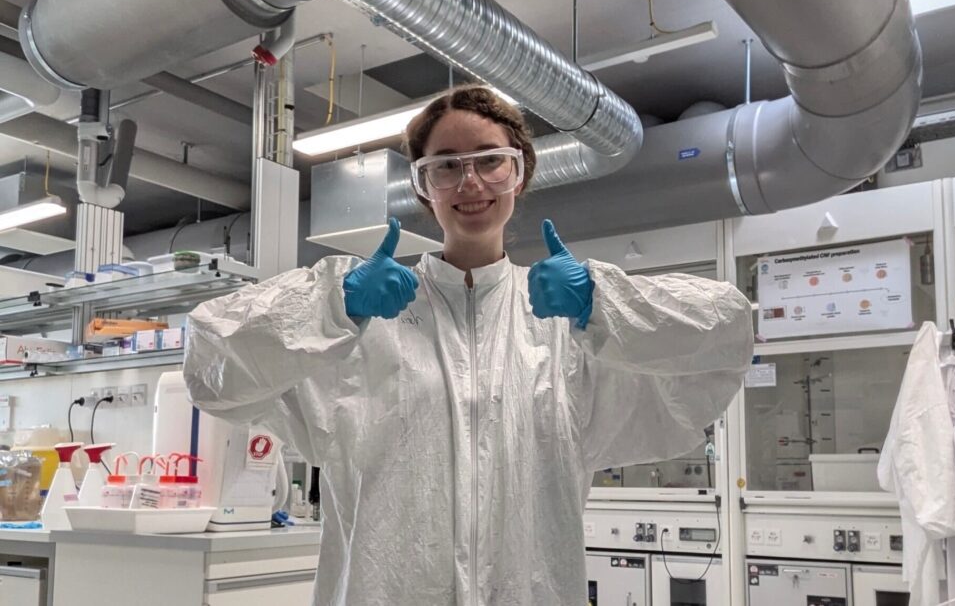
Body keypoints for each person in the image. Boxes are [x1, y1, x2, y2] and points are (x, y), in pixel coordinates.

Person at [184, 85, 753, 605]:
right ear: (422, 187)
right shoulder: (362, 323)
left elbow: (727, 333)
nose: (470, 182)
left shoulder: (564, 327)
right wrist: (334, 305)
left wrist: (602, 303)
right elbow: (211, 359)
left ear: (520, 174)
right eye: (446, 167)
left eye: (490, 162)